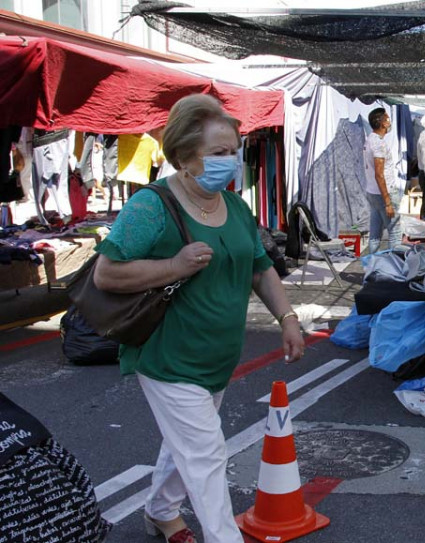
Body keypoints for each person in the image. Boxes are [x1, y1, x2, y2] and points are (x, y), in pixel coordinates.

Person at [92, 94, 305, 543]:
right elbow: (106, 273)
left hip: (217, 359)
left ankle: (161, 511)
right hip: (169, 357)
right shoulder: (152, 206)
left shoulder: (236, 206)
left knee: (186, 443)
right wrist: (174, 266)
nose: (231, 162)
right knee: (206, 452)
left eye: (234, 151)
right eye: (219, 153)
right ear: (185, 156)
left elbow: (259, 267)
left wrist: (287, 317)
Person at [364, 107, 403, 254]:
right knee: (394, 232)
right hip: (383, 193)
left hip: (373, 192)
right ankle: (397, 268)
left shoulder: (370, 140)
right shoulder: (378, 143)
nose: (389, 122)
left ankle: (371, 266)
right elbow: (379, 174)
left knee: (375, 234)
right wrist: (388, 202)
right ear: (382, 123)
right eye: (387, 119)